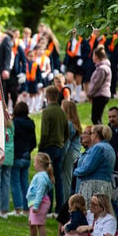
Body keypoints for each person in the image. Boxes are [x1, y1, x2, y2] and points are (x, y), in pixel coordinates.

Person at [38, 85, 68, 214]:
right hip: (60, 147)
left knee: (48, 178)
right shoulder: (62, 112)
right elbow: (67, 132)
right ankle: (59, 208)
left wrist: (41, 147)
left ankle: (48, 208)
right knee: (58, 179)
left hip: (49, 147)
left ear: (48, 97)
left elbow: (44, 132)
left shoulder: (47, 112)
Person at [21, 152, 54, 236]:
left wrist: (36, 205)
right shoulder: (41, 175)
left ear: (40, 164)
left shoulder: (41, 177)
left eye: (35, 162)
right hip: (36, 203)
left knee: (40, 224)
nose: (34, 164)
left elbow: (40, 192)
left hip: (40, 203)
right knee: (31, 223)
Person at [73, 124, 115, 201]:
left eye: (91, 133)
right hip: (105, 185)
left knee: (91, 210)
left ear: (95, 134)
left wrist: (74, 171)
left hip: (94, 185)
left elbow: (88, 168)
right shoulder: (109, 147)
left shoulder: (98, 147)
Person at [11, 101, 36, 216]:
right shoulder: (31, 123)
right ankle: (26, 208)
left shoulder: (14, 123)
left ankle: (18, 208)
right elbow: (34, 142)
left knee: (15, 183)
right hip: (26, 156)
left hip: (16, 156)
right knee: (25, 183)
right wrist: (27, 151)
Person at [60, 100, 83, 210]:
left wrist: (61, 157)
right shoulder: (75, 124)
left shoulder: (68, 124)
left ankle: (66, 205)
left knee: (66, 180)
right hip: (76, 152)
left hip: (69, 153)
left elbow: (66, 143)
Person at [87, 46, 112, 125]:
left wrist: (89, 94)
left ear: (97, 56)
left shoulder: (102, 69)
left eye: (93, 55)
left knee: (95, 118)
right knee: (97, 117)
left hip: (100, 95)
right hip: (102, 94)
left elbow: (97, 83)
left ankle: (101, 134)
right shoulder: (102, 68)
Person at [0, 111, 15, 216]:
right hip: (9, 158)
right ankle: (5, 209)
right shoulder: (11, 128)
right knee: (6, 184)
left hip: (0, 157)